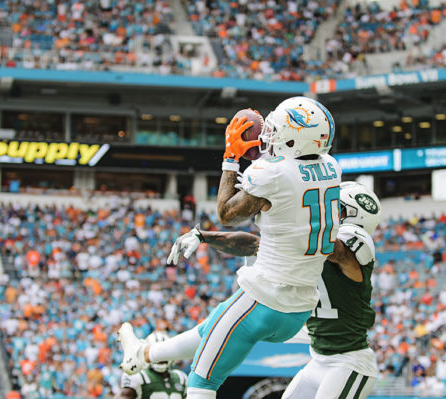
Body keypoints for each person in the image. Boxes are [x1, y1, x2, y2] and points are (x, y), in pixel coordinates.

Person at [119, 96, 341, 398]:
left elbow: (226, 214)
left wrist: (231, 157)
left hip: (263, 301)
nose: (269, 136)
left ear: (294, 140)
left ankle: (145, 355)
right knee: (212, 328)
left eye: (276, 131)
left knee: (201, 383)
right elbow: (285, 187)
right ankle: (144, 355)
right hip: (299, 309)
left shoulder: (271, 174)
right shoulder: (330, 168)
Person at [141, 181, 382, 399]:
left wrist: (287, 209)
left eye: (333, 206)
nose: (324, 208)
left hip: (349, 363)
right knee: (217, 325)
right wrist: (204, 236)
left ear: (351, 216)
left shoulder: (353, 246)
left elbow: (333, 249)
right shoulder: (307, 243)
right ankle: (146, 353)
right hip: (318, 356)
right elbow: (256, 245)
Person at [118, 332, 187, 399]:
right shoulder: (138, 377)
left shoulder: (181, 378)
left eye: (164, 352)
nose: (160, 357)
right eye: (156, 354)